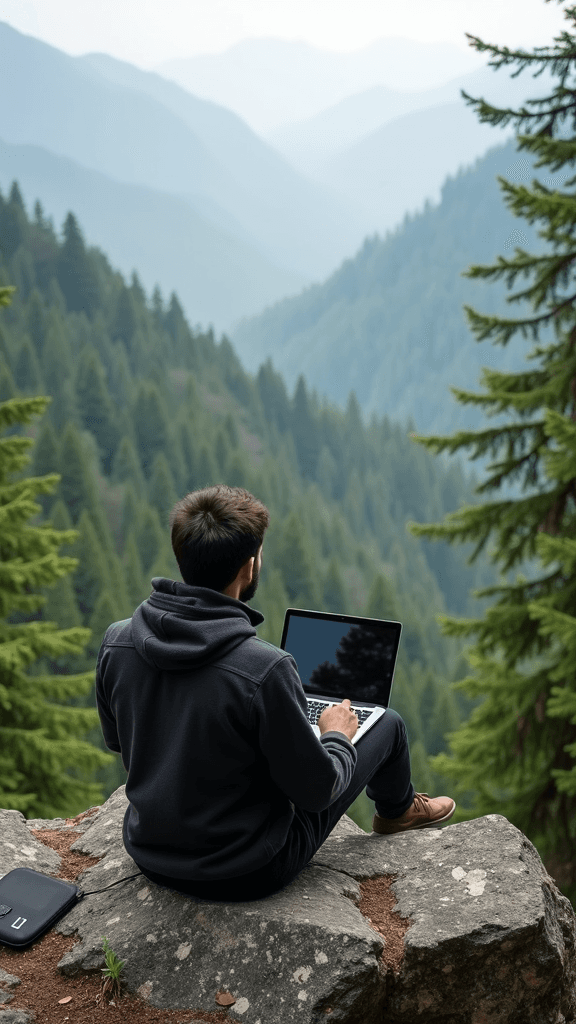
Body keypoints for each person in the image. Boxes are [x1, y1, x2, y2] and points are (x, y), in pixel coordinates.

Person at [95, 484, 455, 904]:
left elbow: (118, 740)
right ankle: (397, 812)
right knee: (388, 724)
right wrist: (335, 736)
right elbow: (317, 791)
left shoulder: (118, 641)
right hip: (246, 869)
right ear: (249, 567)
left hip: (150, 852)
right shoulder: (264, 668)